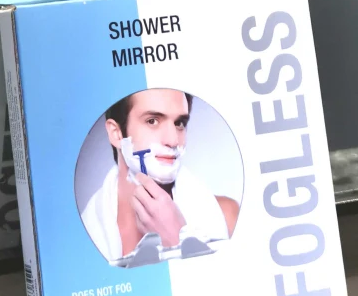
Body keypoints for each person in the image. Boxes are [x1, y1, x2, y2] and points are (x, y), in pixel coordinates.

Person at [80, 88, 240, 263]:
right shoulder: (81, 239)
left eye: (179, 123)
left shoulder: (227, 218)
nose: (173, 140)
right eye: (152, 121)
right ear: (117, 134)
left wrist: (177, 241)